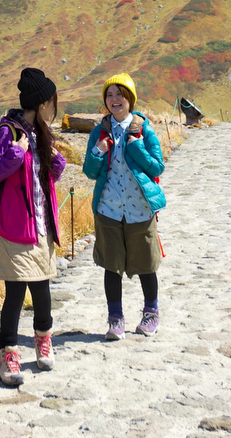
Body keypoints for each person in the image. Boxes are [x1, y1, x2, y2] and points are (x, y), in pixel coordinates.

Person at [0, 67, 66, 387]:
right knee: (15, 293)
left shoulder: (41, 132)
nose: (53, 106)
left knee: (42, 291)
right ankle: (8, 354)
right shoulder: (9, 132)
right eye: (51, 100)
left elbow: (43, 181)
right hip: (13, 228)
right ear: (41, 102)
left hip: (40, 226)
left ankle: (43, 339)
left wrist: (56, 162)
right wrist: (17, 153)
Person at [82, 72, 166, 339]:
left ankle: (151, 315)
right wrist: (98, 151)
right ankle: (115, 320)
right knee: (111, 266)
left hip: (140, 209)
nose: (115, 99)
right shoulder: (99, 131)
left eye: (120, 94)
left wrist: (137, 147)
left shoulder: (144, 129)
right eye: (110, 95)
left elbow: (157, 166)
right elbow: (90, 171)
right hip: (108, 209)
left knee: (145, 265)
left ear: (130, 99)